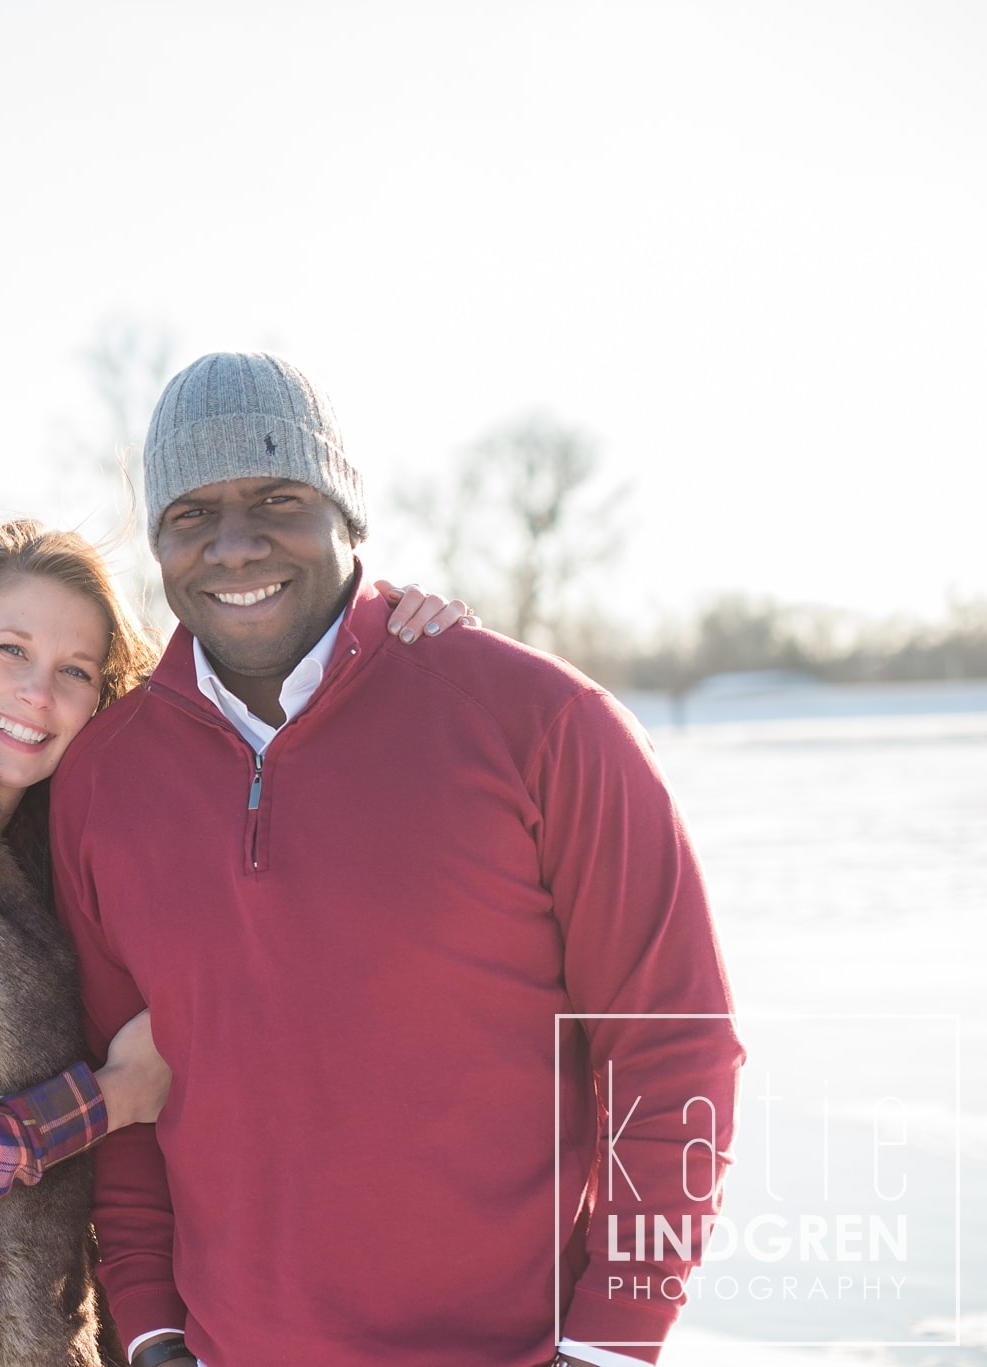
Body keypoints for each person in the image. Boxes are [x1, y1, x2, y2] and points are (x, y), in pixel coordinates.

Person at [51, 352, 745, 1367]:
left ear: (348, 516)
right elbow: (123, 1092)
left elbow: (671, 1048)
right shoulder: (103, 776)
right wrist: (153, 1327)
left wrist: (609, 1343)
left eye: (277, 498)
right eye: (191, 514)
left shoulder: (540, 723)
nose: (233, 544)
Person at [0, 520, 471, 1365]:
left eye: (75, 672)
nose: (39, 692)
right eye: (10, 649)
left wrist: (377, 637)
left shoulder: (73, 840)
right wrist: (99, 1102)